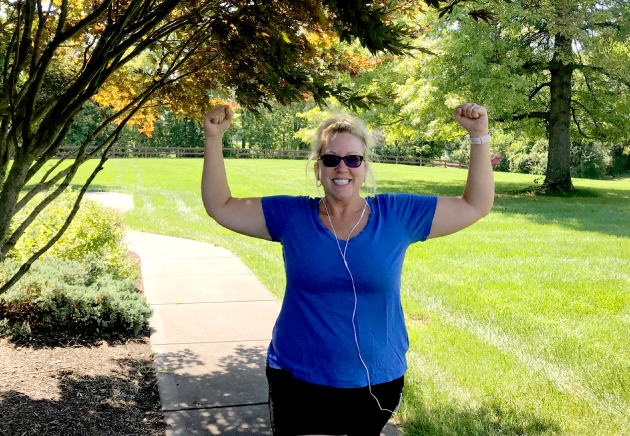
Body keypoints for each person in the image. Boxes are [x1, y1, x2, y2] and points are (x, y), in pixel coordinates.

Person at [201, 103, 494, 436]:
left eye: (353, 159)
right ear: (318, 168)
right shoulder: (292, 215)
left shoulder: (397, 215)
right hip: (297, 377)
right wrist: (214, 138)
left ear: (365, 166)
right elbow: (220, 206)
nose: (342, 167)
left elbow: (476, 205)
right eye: (331, 159)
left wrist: (478, 136)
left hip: (375, 381)